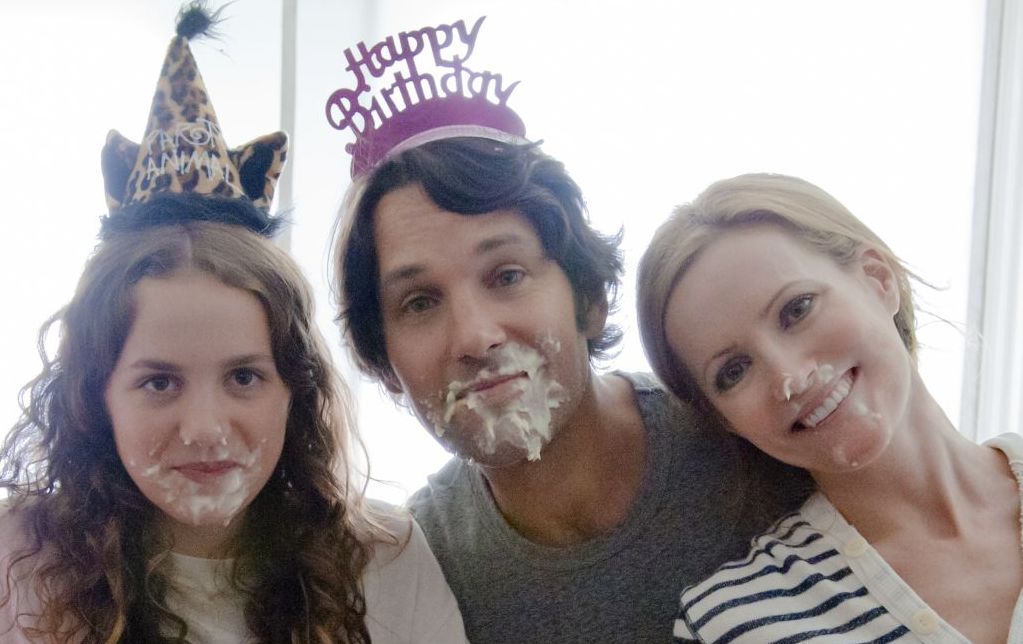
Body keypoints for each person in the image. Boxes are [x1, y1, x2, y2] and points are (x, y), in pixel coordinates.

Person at [327, 18, 810, 642]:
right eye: (419, 303)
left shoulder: (747, 440)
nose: (475, 336)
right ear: (386, 364)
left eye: (505, 274)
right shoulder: (419, 577)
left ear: (588, 298)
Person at [0, 5, 467, 642]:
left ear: (294, 388)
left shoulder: (385, 561)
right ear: (95, 396)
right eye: (159, 382)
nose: (205, 429)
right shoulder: (16, 562)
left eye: (244, 376)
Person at [637, 172, 1023, 643]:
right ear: (724, 420)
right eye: (734, 371)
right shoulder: (728, 624)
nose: (789, 377)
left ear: (877, 280)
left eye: (796, 310)